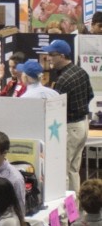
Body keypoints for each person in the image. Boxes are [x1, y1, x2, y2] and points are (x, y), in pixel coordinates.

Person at [43, 39, 93, 191]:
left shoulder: (63, 79)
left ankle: (67, 208)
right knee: (73, 169)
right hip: (83, 125)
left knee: (62, 170)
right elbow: (90, 95)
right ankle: (75, 208)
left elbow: (56, 110)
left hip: (70, 128)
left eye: (52, 54)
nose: (48, 57)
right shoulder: (81, 71)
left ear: (62, 56)